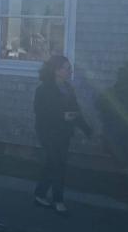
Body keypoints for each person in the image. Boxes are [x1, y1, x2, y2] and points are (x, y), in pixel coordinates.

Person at [33, 55, 90, 214]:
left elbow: (76, 110)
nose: (70, 70)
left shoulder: (68, 88)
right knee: (57, 164)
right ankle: (58, 200)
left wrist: (87, 129)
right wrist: (61, 116)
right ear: (57, 70)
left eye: (70, 67)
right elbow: (40, 112)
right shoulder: (43, 89)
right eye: (67, 67)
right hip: (48, 133)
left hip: (64, 132)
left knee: (54, 164)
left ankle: (39, 194)